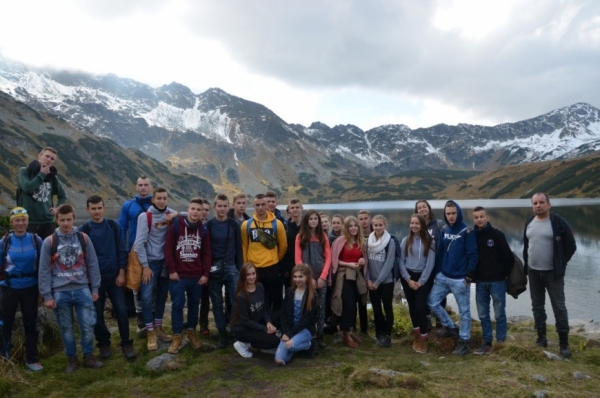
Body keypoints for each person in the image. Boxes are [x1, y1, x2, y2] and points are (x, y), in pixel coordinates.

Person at [38, 204, 103, 373]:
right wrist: (47, 295)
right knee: (66, 328)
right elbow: (44, 270)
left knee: (88, 325)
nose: (65, 223)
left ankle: (88, 356)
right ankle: (72, 359)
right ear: (56, 220)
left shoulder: (83, 238)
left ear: (74, 219)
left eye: (68, 219)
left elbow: (93, 264)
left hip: (82, 288)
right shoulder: (49, 242)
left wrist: (95, 288)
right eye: (62, 220)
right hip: (60, 291)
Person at [80, 196, 136, 360]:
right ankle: (104, 344)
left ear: (104, 208)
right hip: (94, 281)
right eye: (93, 208)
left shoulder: (113, 226)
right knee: (96, 314)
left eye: (99, 208)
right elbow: (82, 257)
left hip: (114, 277)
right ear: (87, 210)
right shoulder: (85, 230)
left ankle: (126, 343)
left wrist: (122, 272)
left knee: (122, 311)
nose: (96, 211)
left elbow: (121, 250)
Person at [523, 192, 577, 358]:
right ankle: (541, 338)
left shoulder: (558, 222)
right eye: (535, 203)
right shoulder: (529, 222)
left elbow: (571, 246)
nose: (538, 205)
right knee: (537, 306)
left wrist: (560, 263)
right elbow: (527, 245)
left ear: (549, 204)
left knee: (559, 308)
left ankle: (564, 344)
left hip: (553, 274)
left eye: (541, 202)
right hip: (533, 272)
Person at [428, 200, 478, 356]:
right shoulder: (444, 230)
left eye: (453, 213)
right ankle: (450, 327)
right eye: (448, 213)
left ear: (458, 213)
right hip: (443, 276)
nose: (450, 216)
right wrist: (438, 272)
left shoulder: (467, 232)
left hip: (460, 279)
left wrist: (469, 276)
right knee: (431, 302)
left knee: (464, 311)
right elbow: (441, 252)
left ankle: (464, 341)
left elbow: (473, 255)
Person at [165, 198, 211, 353]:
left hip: (196, 276)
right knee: (177, 305)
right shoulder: (176, 226)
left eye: (199, 209)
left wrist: (205, 274)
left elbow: (207, 254)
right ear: (188, 209)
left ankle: (191, 332)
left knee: (193, 305)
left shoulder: (203, 230)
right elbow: (168, 250)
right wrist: (171, 270)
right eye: (193, 209)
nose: (196, 212)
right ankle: (176, 335)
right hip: (178, 276)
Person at [0, 207, 43, 371]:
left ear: (27, 221)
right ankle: (4, 357)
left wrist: (41, 289)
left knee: (31, 324)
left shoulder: (35, 240)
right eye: (17, 220)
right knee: (5, 323)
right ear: (12, 222)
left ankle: (32, 359)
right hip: (9, 288)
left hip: (31, 288)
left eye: (23, 219)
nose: (20, 223)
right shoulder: (4, 243)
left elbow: (42, 265)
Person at [133, 187, 177, 351]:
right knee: (145, 297)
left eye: (164, 198)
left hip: (165, 263)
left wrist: (176, 215)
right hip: (151, 264)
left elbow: (190, 215)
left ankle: (158, 327)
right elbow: (139, 245)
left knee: (161, 296)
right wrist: (145, 266)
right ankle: (150, 330)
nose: (161, 201)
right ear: (153, 199)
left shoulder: (170, 213)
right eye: (158, 198)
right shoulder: (145, 217)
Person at [472, 206, 513, 355]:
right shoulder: (472, 236)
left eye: (482, 216)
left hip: (497, 281)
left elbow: (508, 258)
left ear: (487, 217)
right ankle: (487, 341)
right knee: (483, 314)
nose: (479, 219)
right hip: (480, 282)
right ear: (473, 219)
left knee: (499, 313)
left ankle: (501, 341)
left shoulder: (497, 235)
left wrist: (502, 274)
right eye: (476, 217)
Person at [206, 194, 243, 349]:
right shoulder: (208, 225)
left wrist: (240, 268)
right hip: (213, 268)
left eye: (225, 206)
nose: (222, 209)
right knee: (216, 302)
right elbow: (205, 250)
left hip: (230, 267)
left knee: (235, 302)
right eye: (219, 206)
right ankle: (222, 332)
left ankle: (235, 330)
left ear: (229, 207)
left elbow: (239, 249)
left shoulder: (234, 225)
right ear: (214, 207)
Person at [241, 194, 287, 314]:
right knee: (257, 299)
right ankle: (260, 325)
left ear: (267, 205)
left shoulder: (277, 224)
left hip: (272, 267)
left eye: (263, 204)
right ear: (253, 206)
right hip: (254, 269)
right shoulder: (246, 225)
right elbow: (245, 246)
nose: (260, 207)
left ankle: (275, 325)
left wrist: (276, 258)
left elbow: (283, 246)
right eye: (257, 205)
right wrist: (246, 265)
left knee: (275, 298)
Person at [118, 176, 153, 334]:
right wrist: (123, 251)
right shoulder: (128, 205)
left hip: (154, 251)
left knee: (154, 285)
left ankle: (153, 318)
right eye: (140, 185)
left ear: (150, 187)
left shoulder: (156, 203)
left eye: (146, 185)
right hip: (135, 251)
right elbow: (122, 229)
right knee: (136, 285)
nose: (143, 188)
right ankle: (141, 319)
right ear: (136, 187)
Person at [295, 210, 331, 348]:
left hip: (321, 276)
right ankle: (308, 335)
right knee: (306, 307)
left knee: (321, 307)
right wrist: (308, 278)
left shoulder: (323, 237)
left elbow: (328, 258)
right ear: (306, 221)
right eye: (311, 219)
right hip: (306, 278)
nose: (314, 221)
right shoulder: (300, 237)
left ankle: (320, 335)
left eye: (316, 218)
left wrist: (323, 277)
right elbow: (298, 259)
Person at [399, 214, 435, 354]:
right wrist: (408, 279)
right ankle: (417, 332)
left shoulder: (430, 242)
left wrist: (420, 282)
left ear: (422, 225)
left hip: (423, 278)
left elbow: (430, 265)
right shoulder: (405, 240)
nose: (414, 226)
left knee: (420, 306)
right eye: (412, 223)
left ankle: (424, 336)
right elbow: (401, 261)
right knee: (412, 306)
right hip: (408, 277)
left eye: (417, 223)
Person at [331, 216, 368, 348]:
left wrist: (362, 262)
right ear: (346, 228)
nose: (353, 228)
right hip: (344, 275)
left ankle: (349, 330)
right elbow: (334, 260)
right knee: (348, 304)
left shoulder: (360, 241)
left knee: (355, 302)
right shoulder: (340, 241)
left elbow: (363, 259)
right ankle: (345, 334)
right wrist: (349, 265)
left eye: (355, 226)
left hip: (356, 276)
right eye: (350, 226)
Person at [17, 147, 68, 239]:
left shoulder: (52, 177)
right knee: (32, 251)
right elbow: (27, 188)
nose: (49, 160)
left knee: (49, 251)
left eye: (52, 159)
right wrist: (42, 174)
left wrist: (58, 208)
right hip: (29, 221)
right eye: (47, 156)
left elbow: (63, 195)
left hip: (48, 222)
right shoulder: (25, 171)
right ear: (40, 156)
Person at [231, 263, 279, 358]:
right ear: (243, 276)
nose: (251, 277)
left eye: (253, 273)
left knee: (280, 316)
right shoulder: (242, 296)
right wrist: (265, 329)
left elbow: (264, 307)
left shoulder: (260, 286)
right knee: (275, 341)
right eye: (248, 275)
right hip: (244, 330)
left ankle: (264, 343)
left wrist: (268, 322)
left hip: (257, 321)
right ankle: (244, 344)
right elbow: (245, 321)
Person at [275, 264, 318, 365]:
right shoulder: (290, 291)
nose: (297, 279)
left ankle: (309, 344)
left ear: (307, 277)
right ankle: (294, 348)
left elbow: (306, 319)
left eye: (300, 277)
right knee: (279, 360)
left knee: (289, 345)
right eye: (295, 276)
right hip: (290, 328)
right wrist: (285, 332)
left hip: (305, 329)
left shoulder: (312, 295)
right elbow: (283, 313)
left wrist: (289, 334)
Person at [366, 215, 397, 348]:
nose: (378, 228)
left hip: (386, 282)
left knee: (387, 308)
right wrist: (367, 279)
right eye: (376, 225)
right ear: (372, 226)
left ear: (385, 226)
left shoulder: (390, 242)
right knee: (376, 308)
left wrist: (377, 282)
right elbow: (365, 262)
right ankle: (379, 332)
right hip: (371, 282)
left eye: (380, 225)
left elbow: (389, 264)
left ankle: (388, 335)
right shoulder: (368, 241)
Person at [415, 199, 446, 329]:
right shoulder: (416, 225)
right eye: (419, 208)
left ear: (429, 208)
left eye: (424, 207)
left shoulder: (438, 224)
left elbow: (445, 242)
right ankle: (427, 318)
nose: (422, 210)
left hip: (438, 264)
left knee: (440, 292)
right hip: (423, 266)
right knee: (425, 292)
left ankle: (440, 319)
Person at [355, 210, 371, 334]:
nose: (363, 221)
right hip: (359, 273)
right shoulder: (355, 235)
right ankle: (355, 328)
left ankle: (365, 328)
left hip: (374, 274)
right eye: (360, 219)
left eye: (365, 218)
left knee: (367, 302)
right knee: (359, 300)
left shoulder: (375, 234)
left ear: (369, 219)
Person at [281, 198, 303, 289]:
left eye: (297, 207)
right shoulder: (284, 227)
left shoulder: (307, 227)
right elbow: (281, 248)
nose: (295, 210)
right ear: (289, 210)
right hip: (288, 268)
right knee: (289, 293)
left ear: (302, 208)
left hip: (303, 266)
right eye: (292, 208)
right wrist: (283, 269)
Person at [198, 198, 212, 336]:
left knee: (205, 297)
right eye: (201, 209)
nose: (203, 212)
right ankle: (190, 323)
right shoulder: (186, 225)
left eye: (206, 210)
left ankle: (203, 324)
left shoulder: (209, 227)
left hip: (206, 267)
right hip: (190, 267)